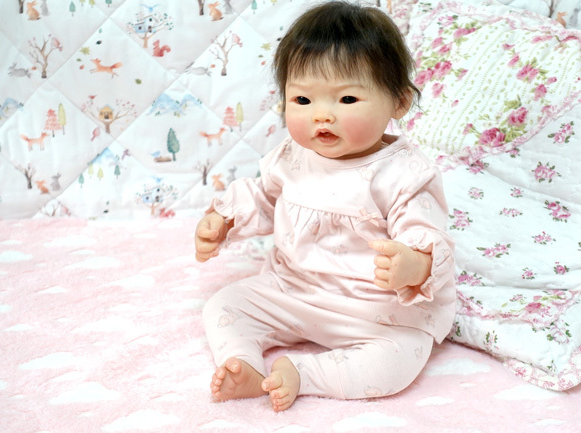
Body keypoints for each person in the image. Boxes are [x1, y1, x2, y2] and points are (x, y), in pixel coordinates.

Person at [195, 1, 455, 412]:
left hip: (373, 310)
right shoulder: (292, 157)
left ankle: (303, 374)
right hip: (292, 290)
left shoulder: (404, 173)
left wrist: (414, 264)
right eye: (303, 99)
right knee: (223, 305)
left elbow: (424, 231)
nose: (322, 116)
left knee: (397, 361)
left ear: (399, 101)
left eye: (347, 98)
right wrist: (224, 220)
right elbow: (264, 198)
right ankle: (243, 363)